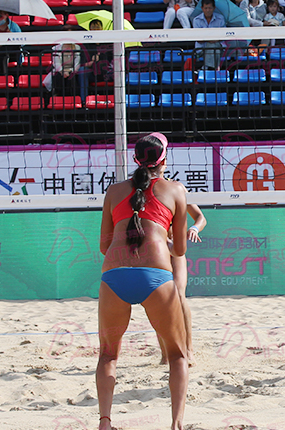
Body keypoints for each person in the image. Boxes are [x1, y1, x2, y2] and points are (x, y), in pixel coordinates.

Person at [98, 132, 189, 430]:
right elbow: (179, 250)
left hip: (114, 276)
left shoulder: (113, 191)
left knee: (108, 355)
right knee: (177, 355)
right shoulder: (175, 190)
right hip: (156, 276)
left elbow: (104, 245)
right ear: (164, 160)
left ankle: (105, 423)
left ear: (136, 159)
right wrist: (162, 239)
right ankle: (176, 424)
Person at [160, 204, 207, 366]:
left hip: (174, 246)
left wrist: (194, 228)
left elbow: (201, 218)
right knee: (159, 299)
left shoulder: (178, 192)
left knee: (179, 295)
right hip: (155, 247)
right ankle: (165, 353)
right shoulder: (143, 192)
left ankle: (188, 350)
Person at [43, 26, 88, 100]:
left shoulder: (77, 48)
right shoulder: (56, 48)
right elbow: (56, 62)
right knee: (58, 76)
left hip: (72, 70)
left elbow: (77, 63)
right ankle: (57, 97)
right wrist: (62, 71)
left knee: (72, 78)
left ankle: (72, 99)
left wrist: (70, 71)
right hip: (60, 70)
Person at [193, 0, 227, 70]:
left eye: (210, 8)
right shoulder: (196, 20)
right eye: (206, 8)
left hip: (219, 47)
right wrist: (212, 39)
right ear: (202, 8)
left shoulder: (220, 18)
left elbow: (223, 35)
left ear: (214, 8)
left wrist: (206, 38)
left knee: (213, 47)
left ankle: (207, 68)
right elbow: (198, 39)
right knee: (212, 47)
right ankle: (215, 69)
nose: (208, 10)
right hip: (201, 49)